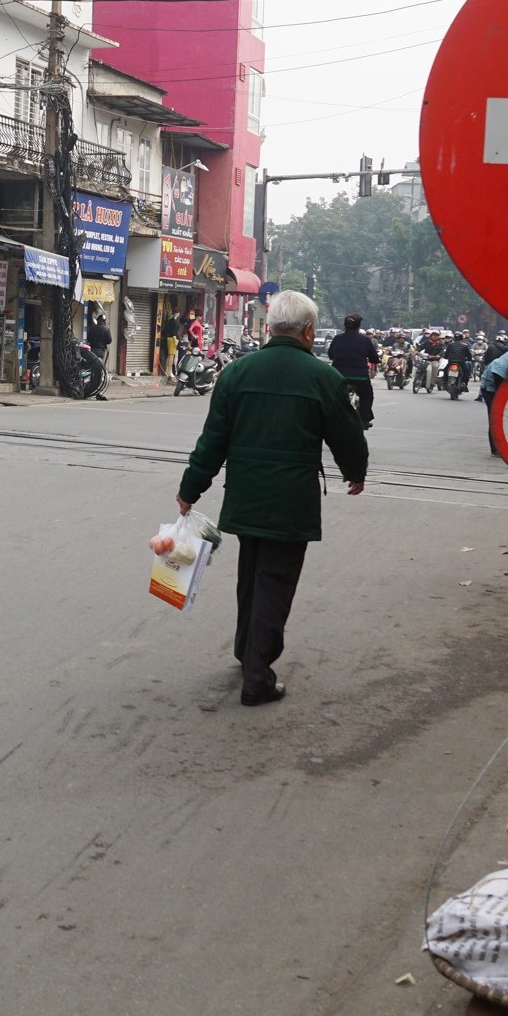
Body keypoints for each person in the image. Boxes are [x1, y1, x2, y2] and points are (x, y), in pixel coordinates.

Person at [175, 290, 368, 707]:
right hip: (291, 500)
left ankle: (248, 653)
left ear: (270, 326)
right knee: (275, 582)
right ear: (309, 331)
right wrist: (356, 473)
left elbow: (213, 441)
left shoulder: (237, 373)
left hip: (246, 494)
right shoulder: (323, 378)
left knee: (253, 574)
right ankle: (257, 678)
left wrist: (190, 488)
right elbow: (347, 436)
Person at [326, 313, 379, 429]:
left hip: (338, 377)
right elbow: (374, 358)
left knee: (331, 397)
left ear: (345, 326)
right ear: (359, 326)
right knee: (367, 397)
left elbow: (330, 355)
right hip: (360, 378)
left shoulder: (337, 338)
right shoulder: (365, 340)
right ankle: (364, 420)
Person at [86, 307, 113, 401]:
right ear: (104, 321)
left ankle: (92, 385)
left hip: (92, 351)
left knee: (93, 369)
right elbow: (109, 340)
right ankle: (97, 389)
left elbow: (88, 339)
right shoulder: (106, 329)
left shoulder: (92, 328)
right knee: (100, 370)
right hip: (101, 351)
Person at [160, 310, 181, 378]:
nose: (178, 314)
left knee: (169, 355)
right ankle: (169, 371)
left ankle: (167, 371)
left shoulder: (169, 320)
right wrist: (175, 341)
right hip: (173, 339)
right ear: (176, 313)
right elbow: (174, 332)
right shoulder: (174, 321)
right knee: (171, 355)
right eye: (177, 313)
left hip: (169, 338)